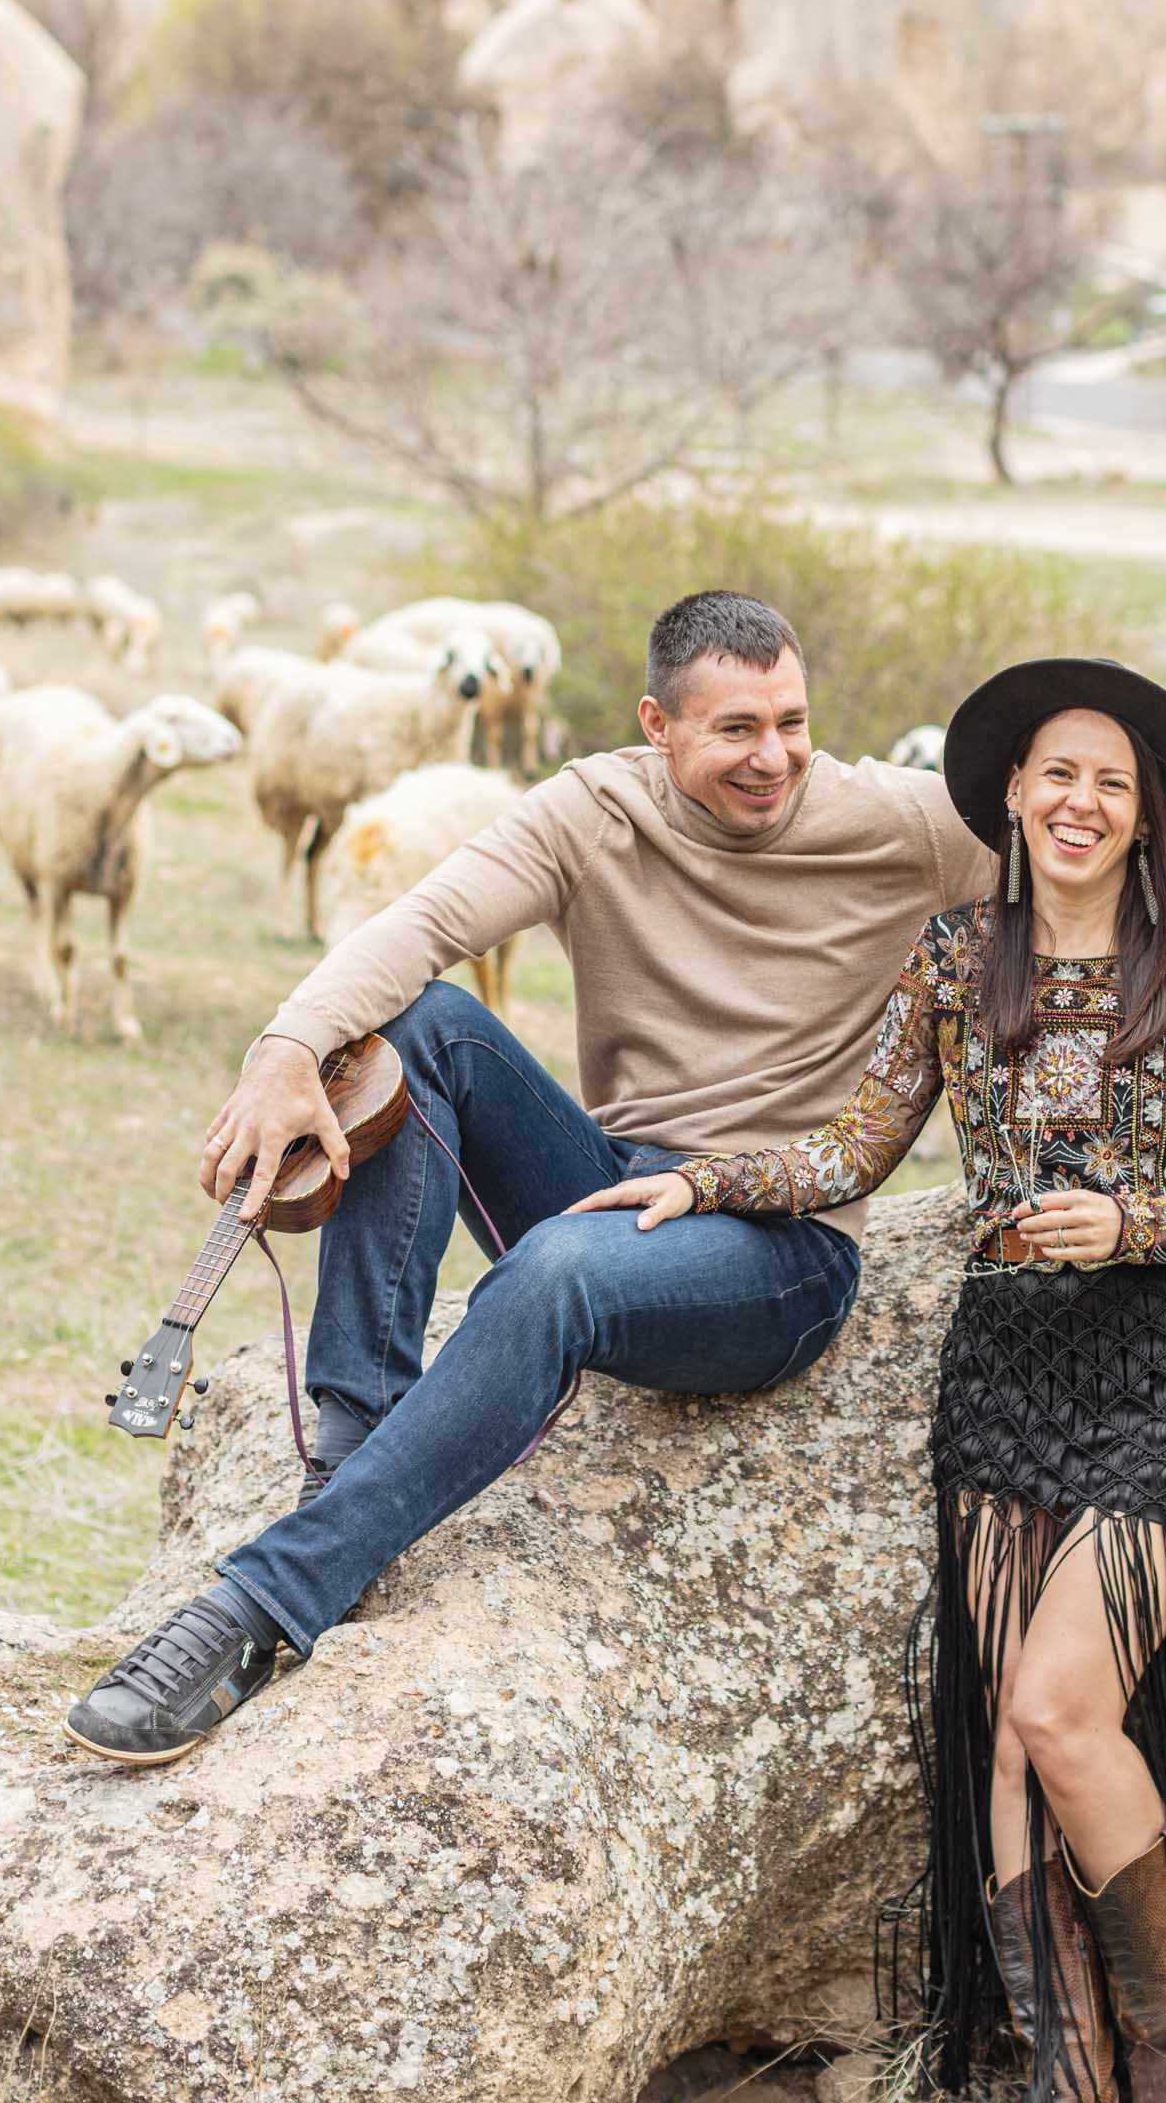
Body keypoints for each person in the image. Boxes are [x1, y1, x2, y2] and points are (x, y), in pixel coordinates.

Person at [573, 659, 1166, 2103]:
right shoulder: (947, 959)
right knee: (1002, 1736)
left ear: (1145, 821)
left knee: (1061, 1707)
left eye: (1110, 784)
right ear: (1009, 796)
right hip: (1006, 1366)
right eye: (1056, 773)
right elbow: (858, 1145)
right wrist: (699, 1184)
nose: (1078, 801)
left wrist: (1135, 1222)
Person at [65, 590, 991, 1765]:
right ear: (658, 725)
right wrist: (287, 1050)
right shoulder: (593, 809)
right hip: (616, 1186)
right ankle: (360, 1444)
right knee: (423, 1029)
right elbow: (423, 923)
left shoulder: (903, 823)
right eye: (736, 730)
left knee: (557, 1272)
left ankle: (261, 1609)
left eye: (792, 723)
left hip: (778, 1247)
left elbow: (1089, 858)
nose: (775, 758)